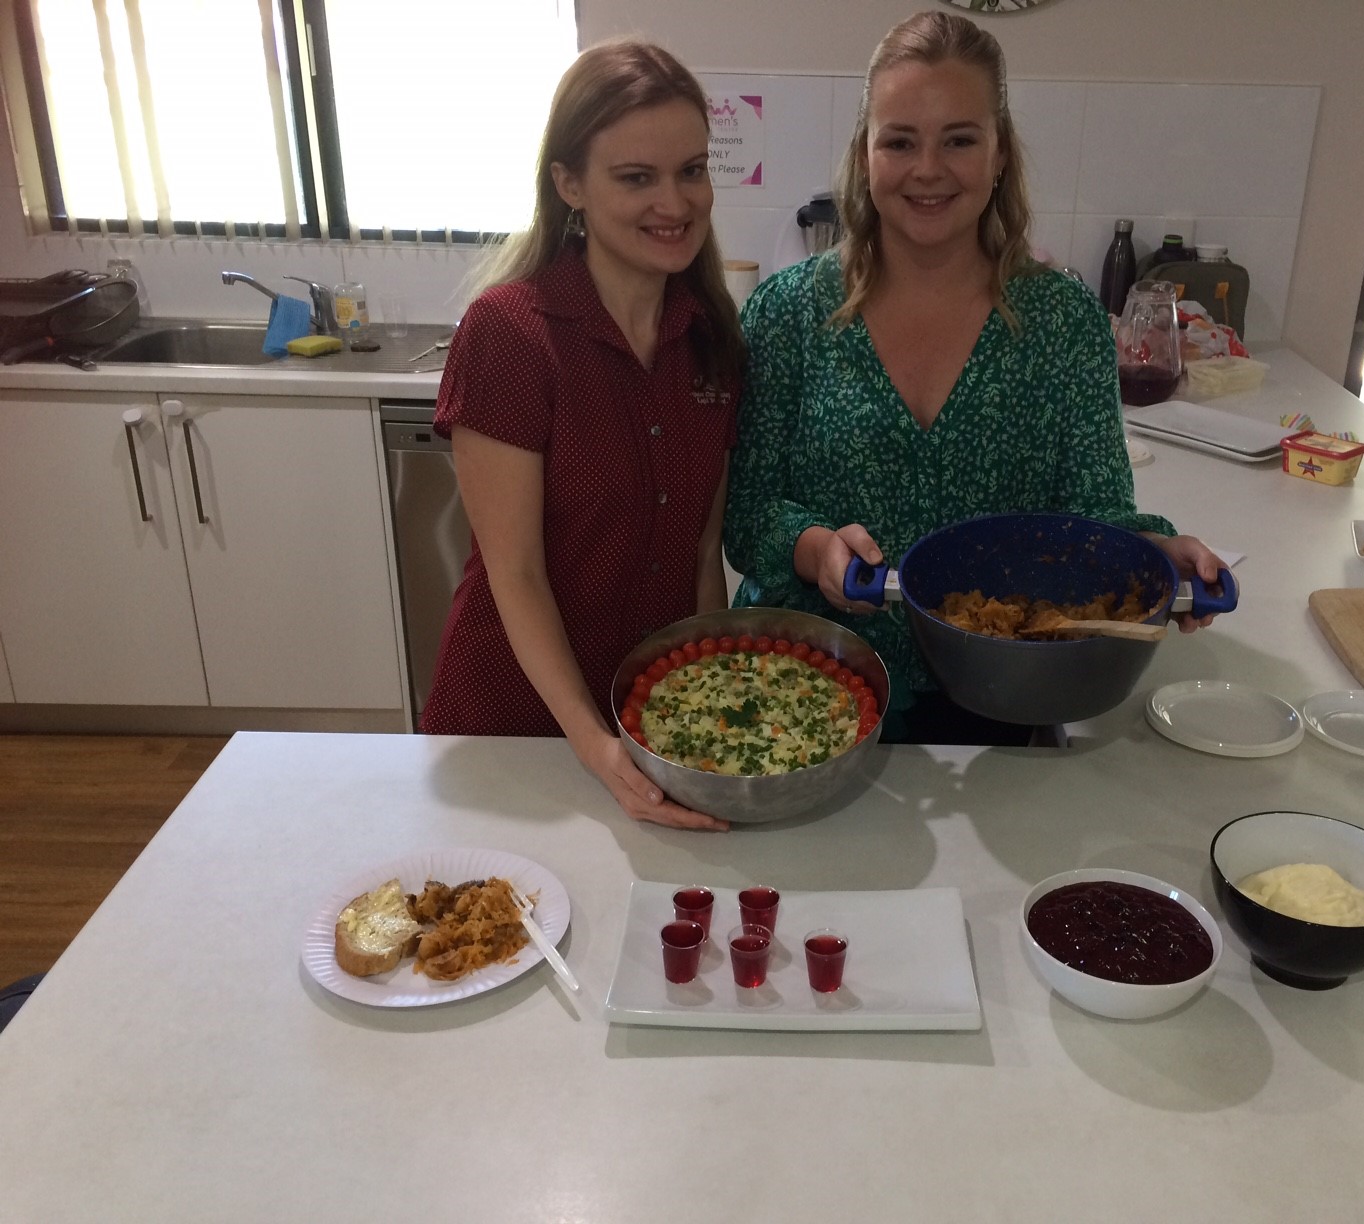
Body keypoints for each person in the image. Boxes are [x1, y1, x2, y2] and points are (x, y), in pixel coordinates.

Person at [723, 10, 1223, 745]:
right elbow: (747, 514)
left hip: (1011, 693)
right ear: (867, 155)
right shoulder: (789, 313)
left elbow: (1093, 513)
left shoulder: (1063, 321)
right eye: (900, 141)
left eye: (959, 139)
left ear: (999, 155)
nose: (929, 169)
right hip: (809, 694)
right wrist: (813, 546)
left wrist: (1152, 550)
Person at [422, 41, 743, 831]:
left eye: (691, 171)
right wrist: (595, 742)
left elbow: (702, 555)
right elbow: (517, 573)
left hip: (648, 726)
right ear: (570, 184)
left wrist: (700, 715)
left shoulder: (710, 339)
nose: (675, 202)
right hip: (517, 731)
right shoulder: (510, 336)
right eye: (637, 177)